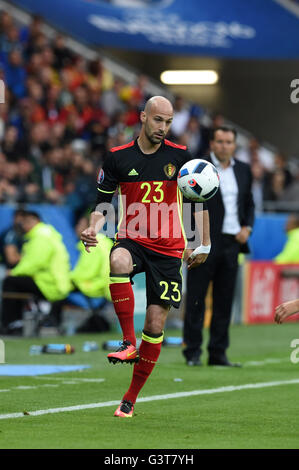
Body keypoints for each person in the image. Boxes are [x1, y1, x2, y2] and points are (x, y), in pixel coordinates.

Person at [81, 96, 211, 418]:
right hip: (132, 237)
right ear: (143, 117)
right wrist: (93, 228)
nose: (163, 128)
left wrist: (201, 243)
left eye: (168, 122)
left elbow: (196, 202)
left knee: (154, 324)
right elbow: (103, 202)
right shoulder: (117, 158)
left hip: (168, 250)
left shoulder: (181, 157)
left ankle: (130, 398)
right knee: (118, 261)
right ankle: (127, 341)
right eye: (158, 120)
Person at [183, 126, 255, 367]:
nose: (225, 146)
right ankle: (192, 353)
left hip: (232, 243)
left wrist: (248, 227)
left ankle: (218, 353)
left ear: (235, 145)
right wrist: (191, 241)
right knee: (196, 299)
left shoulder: (244, 170)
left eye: (229, 142)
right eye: (220, 141)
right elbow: (187, 205)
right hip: (204, 243)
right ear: (212, 144)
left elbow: (249, 203)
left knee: (224, 301)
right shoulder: (196, 168)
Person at [0, 211, 72, 334]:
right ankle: (15, 323)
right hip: (54, 282)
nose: (24, 226)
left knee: (10, 282)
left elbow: (36, 263)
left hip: (48, 283)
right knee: (15, 283)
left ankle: (13, 323)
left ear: (35, 221)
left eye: (27, 222)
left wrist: (13, 272)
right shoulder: (46, 235)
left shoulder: (41, 237)